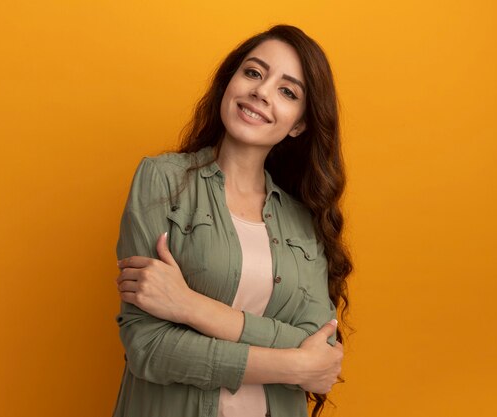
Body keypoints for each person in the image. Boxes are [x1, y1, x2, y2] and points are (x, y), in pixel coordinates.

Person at [113, 25, 352, 417]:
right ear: (230, 82)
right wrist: (293, 366)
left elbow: (322, 348)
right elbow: (148, 347)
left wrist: (190, 306)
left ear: (299, 124)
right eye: (254, 73)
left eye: (287, 91)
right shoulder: (162, 181)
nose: (261, 91)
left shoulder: (303, 221)